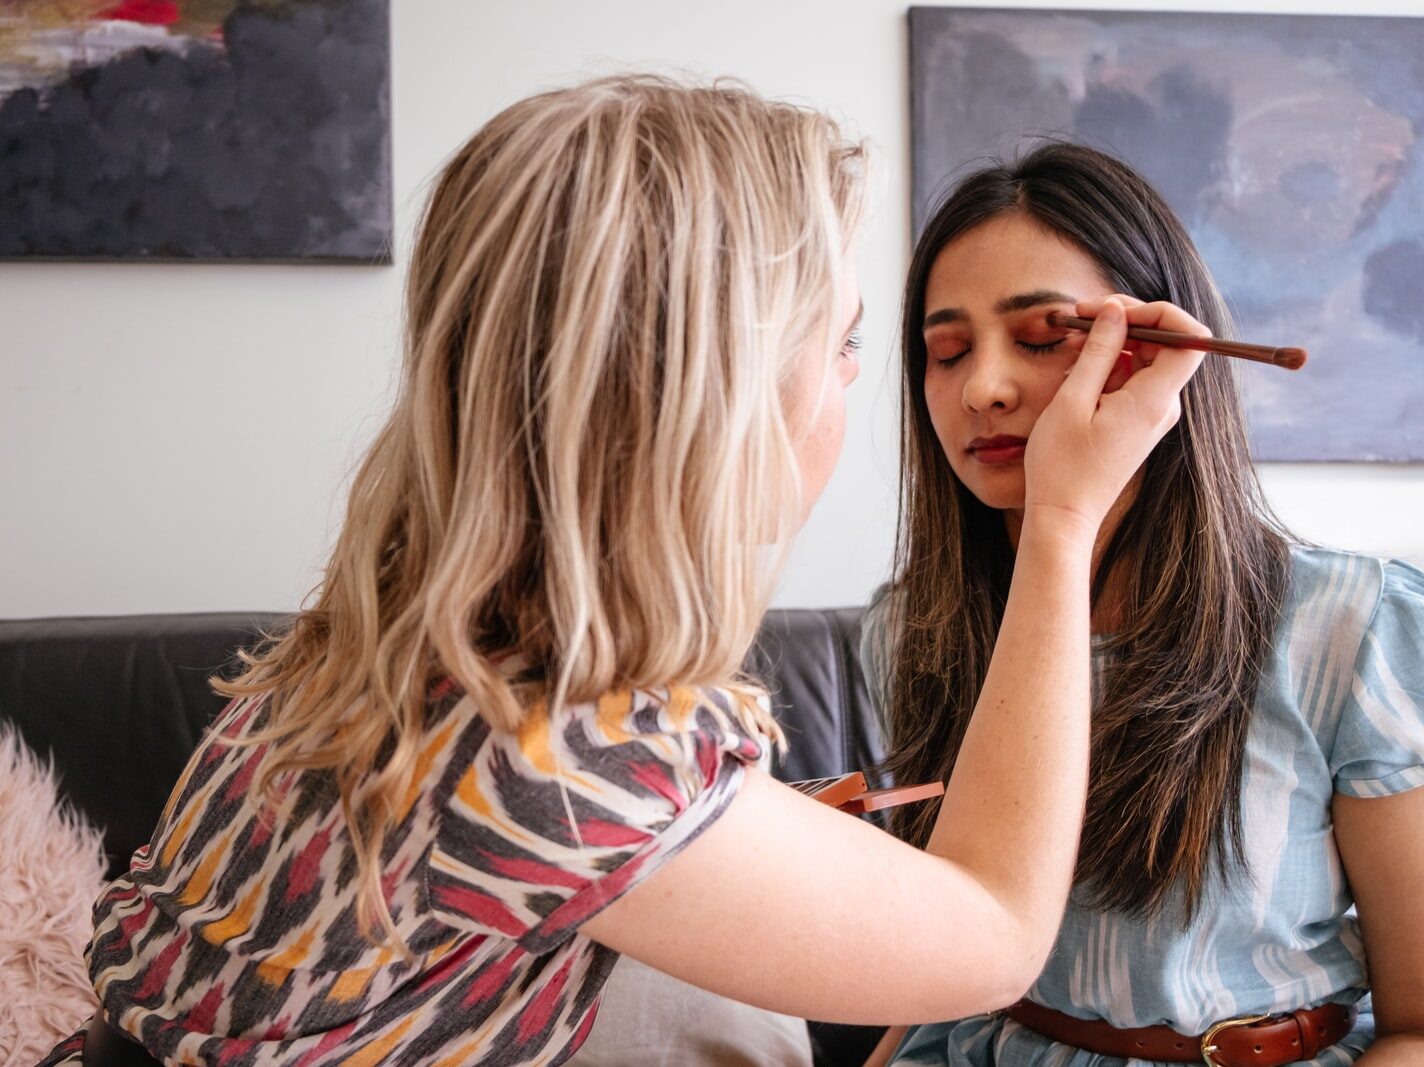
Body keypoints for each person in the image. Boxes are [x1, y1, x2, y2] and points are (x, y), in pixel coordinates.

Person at [41, 83, 1202, 1067]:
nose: (890, 384)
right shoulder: (555, 752)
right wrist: (1061, 518)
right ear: (718, 396)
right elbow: (991, 933)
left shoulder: (402, 641)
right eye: (849, 344)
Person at [864, 142, 1424, 1067]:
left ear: (1161, 356)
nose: (983, 387)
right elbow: (943, 960)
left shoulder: (1351, 626)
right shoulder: (916, 628)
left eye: (1043, 337)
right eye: (946, 351)